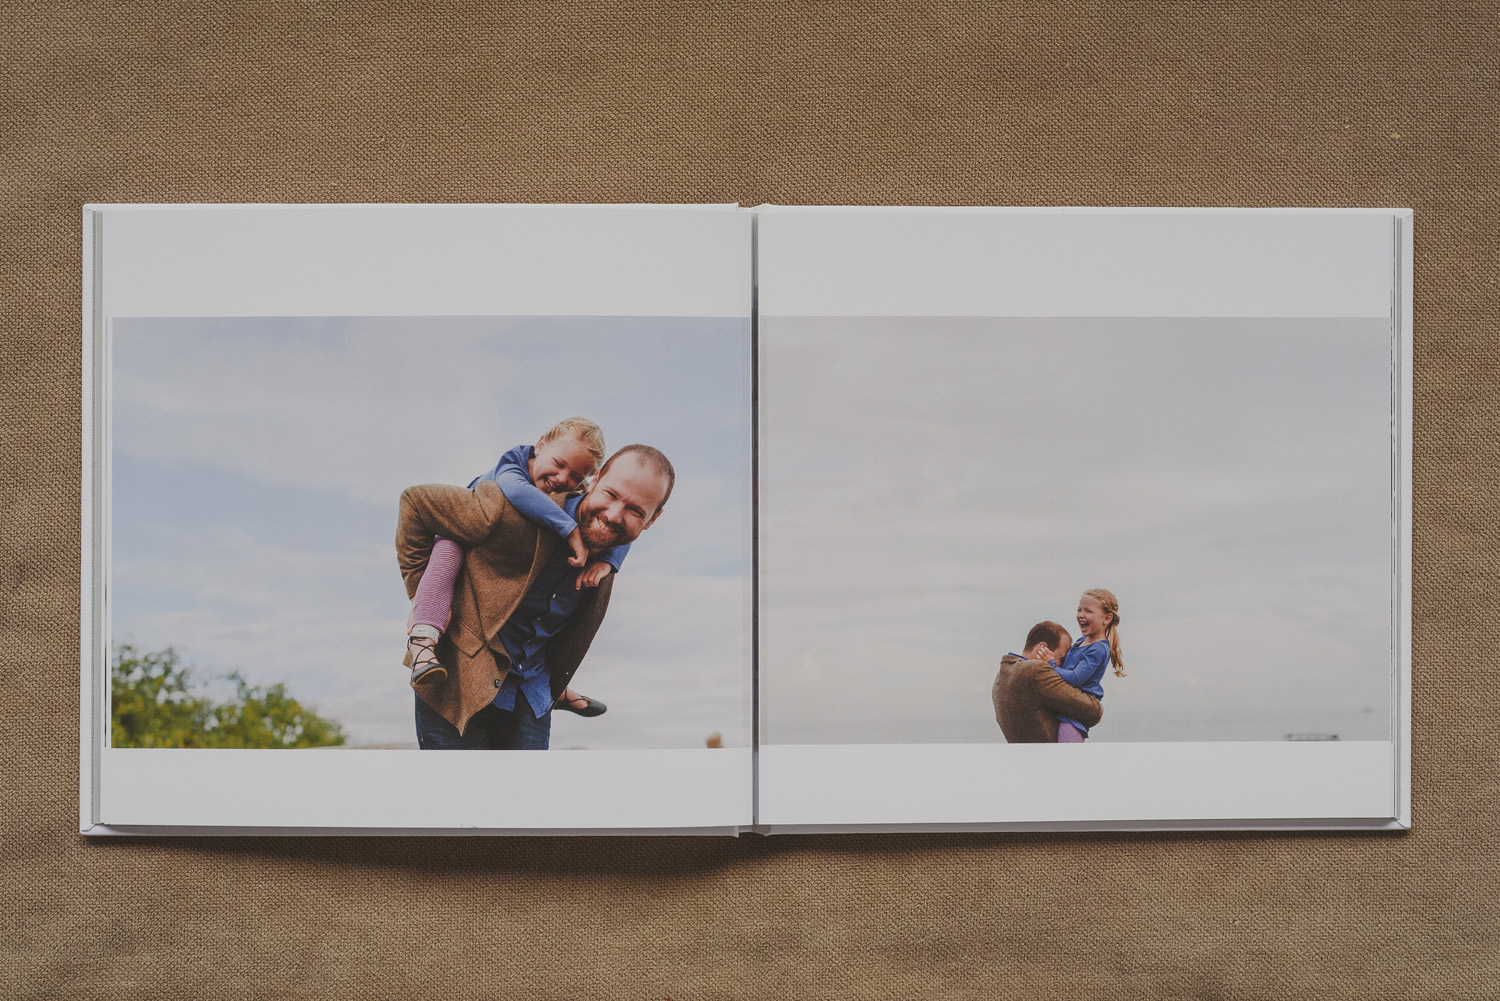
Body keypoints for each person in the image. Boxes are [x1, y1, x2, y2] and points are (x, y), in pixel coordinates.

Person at [396, 444, 674, 750]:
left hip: (532, 693)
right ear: (594, 481)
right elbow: (416, 504)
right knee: (459, 796)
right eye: (610, 494)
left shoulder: (609, 553)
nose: (614, 514)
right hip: (457, 682)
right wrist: (422, 596)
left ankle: (563, 692)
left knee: (529, 798)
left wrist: (612, 561)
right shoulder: (513, 507)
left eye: (635, 511)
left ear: (652, 519)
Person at [403, 417, 626, 719]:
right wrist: (569, 530)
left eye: (577, 477)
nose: (563, 479)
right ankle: (423, 647)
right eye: (559, 464)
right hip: (458, 534)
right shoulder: (512, 466)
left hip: (503, 570)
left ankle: (553, 686)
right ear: (542, 444)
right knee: (445, 561)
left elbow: (624, 523)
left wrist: (610, 561)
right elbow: (518, 492)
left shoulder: (574, 491)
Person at [992, 620, 1103, 743]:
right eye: (1061, 659)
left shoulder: (1001, 679)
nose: (1063, 667)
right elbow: (1093, 711)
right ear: (1042, 648)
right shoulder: (1037, 671)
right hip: (1051, 759)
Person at [1051, 588, 1126, 743]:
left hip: (1073, 716)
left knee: (1067, 757)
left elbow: (1076, 678)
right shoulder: (1080, 641)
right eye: (1079, 609)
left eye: (1088, 611)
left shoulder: (1098, 648)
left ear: (1107, 618)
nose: (1081, 615)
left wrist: (1051, 665)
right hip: (1064, 704)